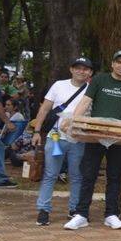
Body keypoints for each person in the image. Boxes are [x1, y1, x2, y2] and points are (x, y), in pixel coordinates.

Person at [64, 50, 121, 230]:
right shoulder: (99, 80)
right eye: (119, 62)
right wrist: (74, 123)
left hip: (118, 137)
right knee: (88, 175)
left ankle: (111, 214)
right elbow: (85, 102)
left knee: (115, 177)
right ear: (112, 64)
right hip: (95, 135)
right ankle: (81, 214)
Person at [31, 57, 93, 225]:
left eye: (85, 69)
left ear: (90, 72)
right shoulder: (58, 85)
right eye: (78, 68)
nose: (81, 71)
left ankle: (74, 210)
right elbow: (44, 109)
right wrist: (37, 131)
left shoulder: (92, 89)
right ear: (71, 69)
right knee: (50, 174)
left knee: (77, 176)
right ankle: (43, 210)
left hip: (79, 139)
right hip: (56, 137)